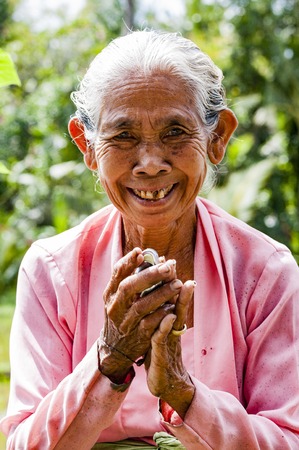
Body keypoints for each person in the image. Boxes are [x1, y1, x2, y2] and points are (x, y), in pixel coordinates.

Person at [1, 29, 299, 450]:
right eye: (123, 136)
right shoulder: (52, 270)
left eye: (175, 132)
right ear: (87, 146)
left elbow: (289, 440)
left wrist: (183, 393)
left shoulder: (265, 272)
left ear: (217, 138)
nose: (150, 163)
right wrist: (110, 358)